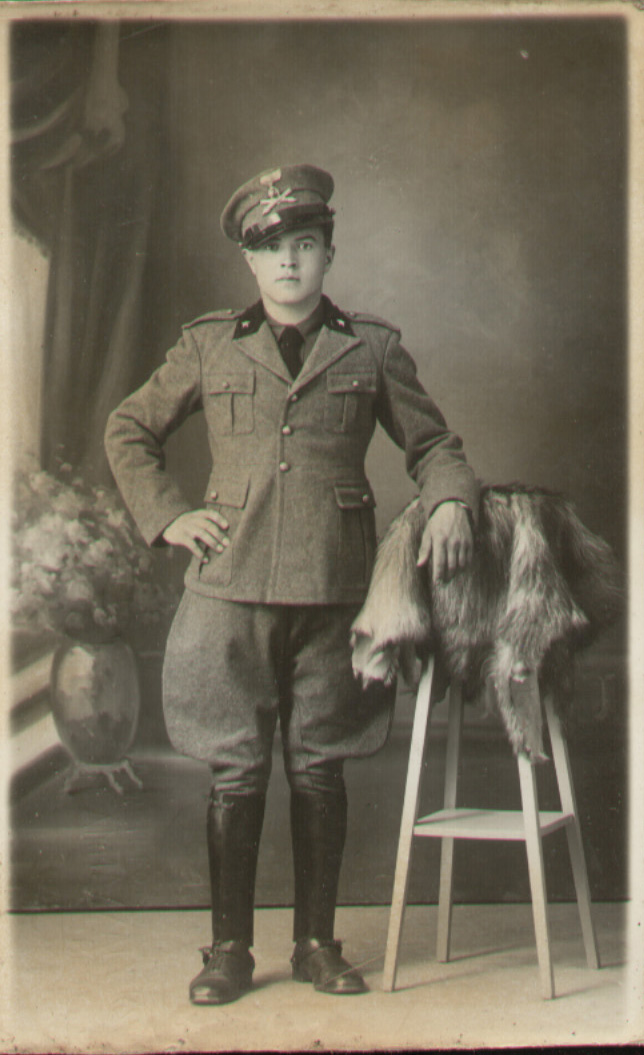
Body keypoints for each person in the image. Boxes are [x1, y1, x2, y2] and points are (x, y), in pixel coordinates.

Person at [105, 164, 478, 1006]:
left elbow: (435, 447)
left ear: (328, 254)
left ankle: (316, 944)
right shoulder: (210, 345)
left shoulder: (371, 347)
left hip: (333, 592)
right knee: (235, 774)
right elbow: (128, 428)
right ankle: (229, 951)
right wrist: (168, 515)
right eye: (271, 248)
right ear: (249, 260)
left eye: (304, 244)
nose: (288, 262)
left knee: (319, 769)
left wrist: (453, 501)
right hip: (228, 592)